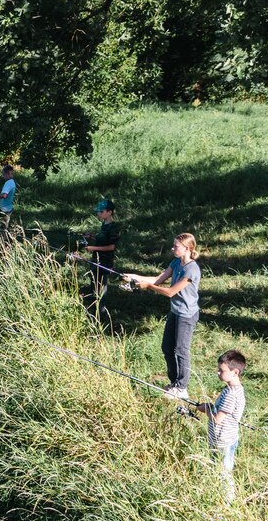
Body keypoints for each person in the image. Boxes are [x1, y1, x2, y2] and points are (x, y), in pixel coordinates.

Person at [122, 233, 201, 399]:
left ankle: (182, 388)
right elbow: (158, 279)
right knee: (167, 347)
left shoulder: (192, 269)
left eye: (176, 246)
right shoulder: (176, 262)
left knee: (181, 350)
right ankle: (174, 384)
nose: (172, 249)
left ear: (187, 248)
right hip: (175, 311)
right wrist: (135, 277)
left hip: (187, 315)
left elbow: (171, 291)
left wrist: (148, 286)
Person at [195, 350, 247, 503]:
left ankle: (227, 503)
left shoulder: (230, 394)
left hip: (222, 441)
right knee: (220, 469)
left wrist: (206, 409)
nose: (218, 372)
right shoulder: (236, 389)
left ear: (235, 372)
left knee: (223, 473)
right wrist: (211, 406)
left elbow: (217, 419)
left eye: (222, 370)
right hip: (228, 438)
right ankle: (218, 495)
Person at [78, 200, 120, 310]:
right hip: (96, 260)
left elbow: (111, 247)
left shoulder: (113, 228)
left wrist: (92, 248)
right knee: (94, 282)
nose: (98, 214)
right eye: (98, 212)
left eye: (101, 212)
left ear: (109, 212)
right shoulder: (104, 225)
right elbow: (102, 239)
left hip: (104, 261)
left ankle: (101, 311)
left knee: (102, 286)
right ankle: (94, 306)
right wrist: (91, 236)